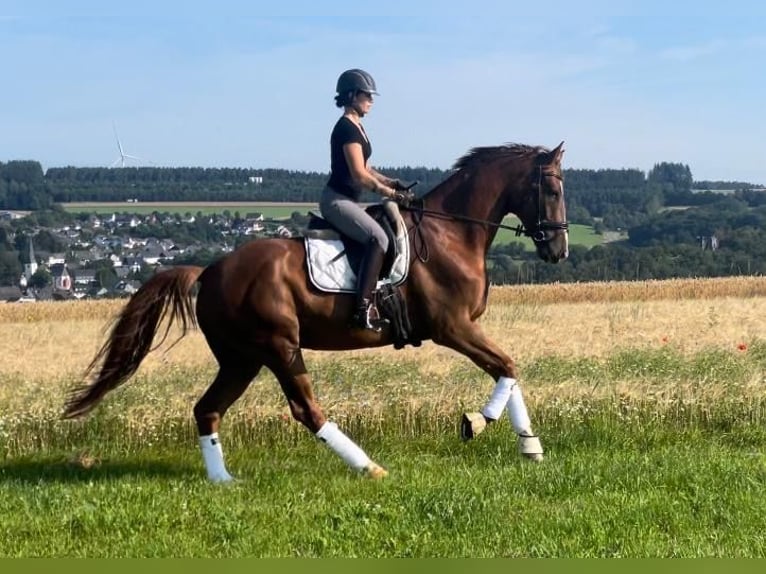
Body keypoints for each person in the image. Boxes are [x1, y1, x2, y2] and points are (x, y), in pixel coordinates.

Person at [319, 68, 412, 333]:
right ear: (351, 95)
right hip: (337, 201)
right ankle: (361, 309)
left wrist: (392, 181)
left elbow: (367, 167)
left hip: (350, 200)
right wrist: (391, 195)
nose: (371, 100)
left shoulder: (358, 127)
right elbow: (359, 175)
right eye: (366, 95)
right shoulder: (346, 128)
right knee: (379, 239)